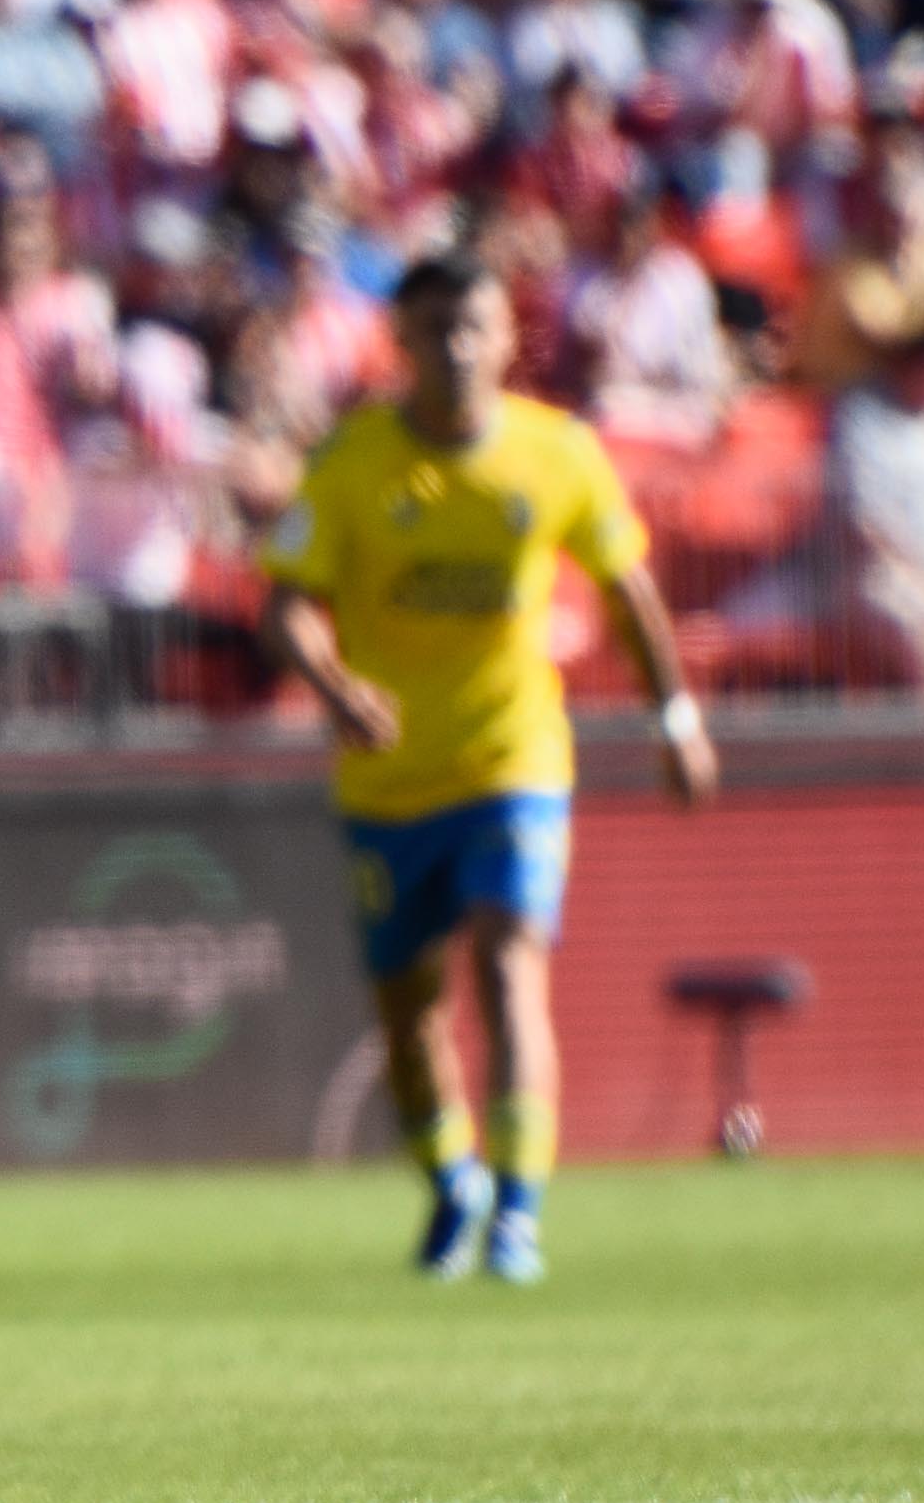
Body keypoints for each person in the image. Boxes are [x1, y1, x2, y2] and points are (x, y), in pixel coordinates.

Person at [260, 253, 719, 1287]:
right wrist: (334, 687)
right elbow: (282, 603)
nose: (456, 348)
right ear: (400, 342)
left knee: (512, 965)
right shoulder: (353, 463)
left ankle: (518, 1211)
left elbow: (627, 586)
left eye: (474, 326)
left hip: (514, 757)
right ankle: (454, 1179)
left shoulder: (555, 453)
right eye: (433, 330)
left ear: (507, 336)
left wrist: (675, 717)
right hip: (386, 781)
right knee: (408, 1007)